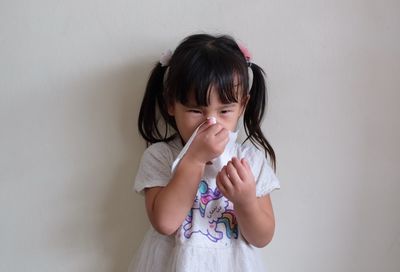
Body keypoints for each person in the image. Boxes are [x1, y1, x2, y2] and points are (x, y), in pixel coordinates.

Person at [129, 33, 280, 272]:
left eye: (225, 111)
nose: (211, 122)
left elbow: (262, 237)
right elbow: (165, 223)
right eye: (195, 111)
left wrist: (246, 201)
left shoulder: (250, 160)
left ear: (242, 106)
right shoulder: (161, 156)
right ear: (171, 104)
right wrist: (194, 159)